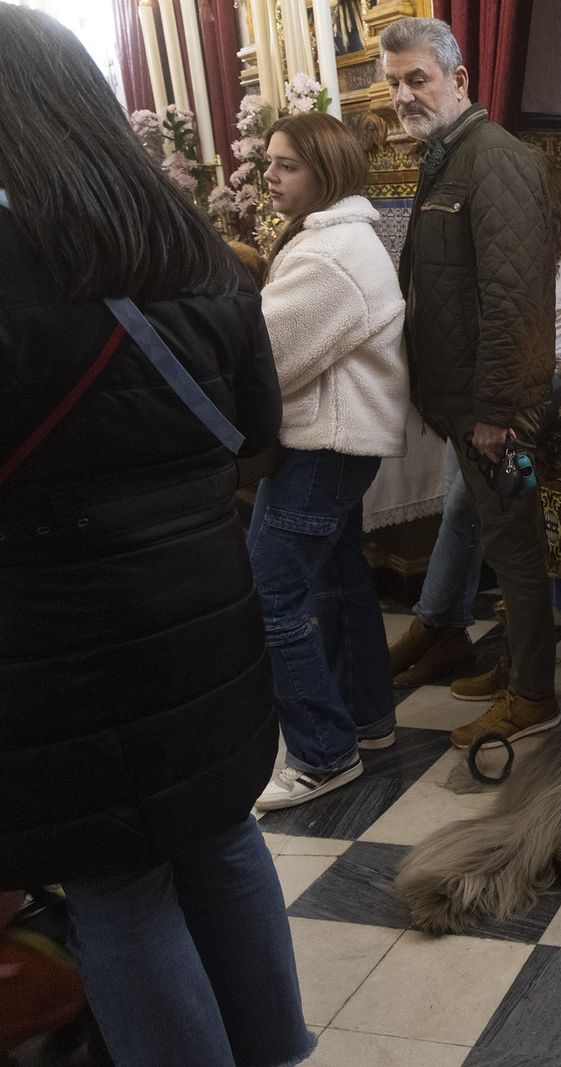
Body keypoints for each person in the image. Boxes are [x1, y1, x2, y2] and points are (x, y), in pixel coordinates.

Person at [0, 8, 312, 1065]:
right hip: (204, 609)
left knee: (117, 884)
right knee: (222, 837)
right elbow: (257, 437)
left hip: (58, 636)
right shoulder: (193, 247)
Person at [389, 181, 561, 696]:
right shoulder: (493, 252)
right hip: (486, 391)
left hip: (542, 391)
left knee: (464, 505)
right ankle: (447, 635)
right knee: (458, 507)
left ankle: (431, 625)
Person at [250, 112, 411, 810]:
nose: (269, 176)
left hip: (321, 446)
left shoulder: (328, 257)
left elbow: (265, 362)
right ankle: (367, 721)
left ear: (326, 172)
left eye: (285, 164)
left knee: (268, 595)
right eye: (270, 161)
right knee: (339, 584)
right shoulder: (340, 240)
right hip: (337, 444)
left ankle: (321, 753)